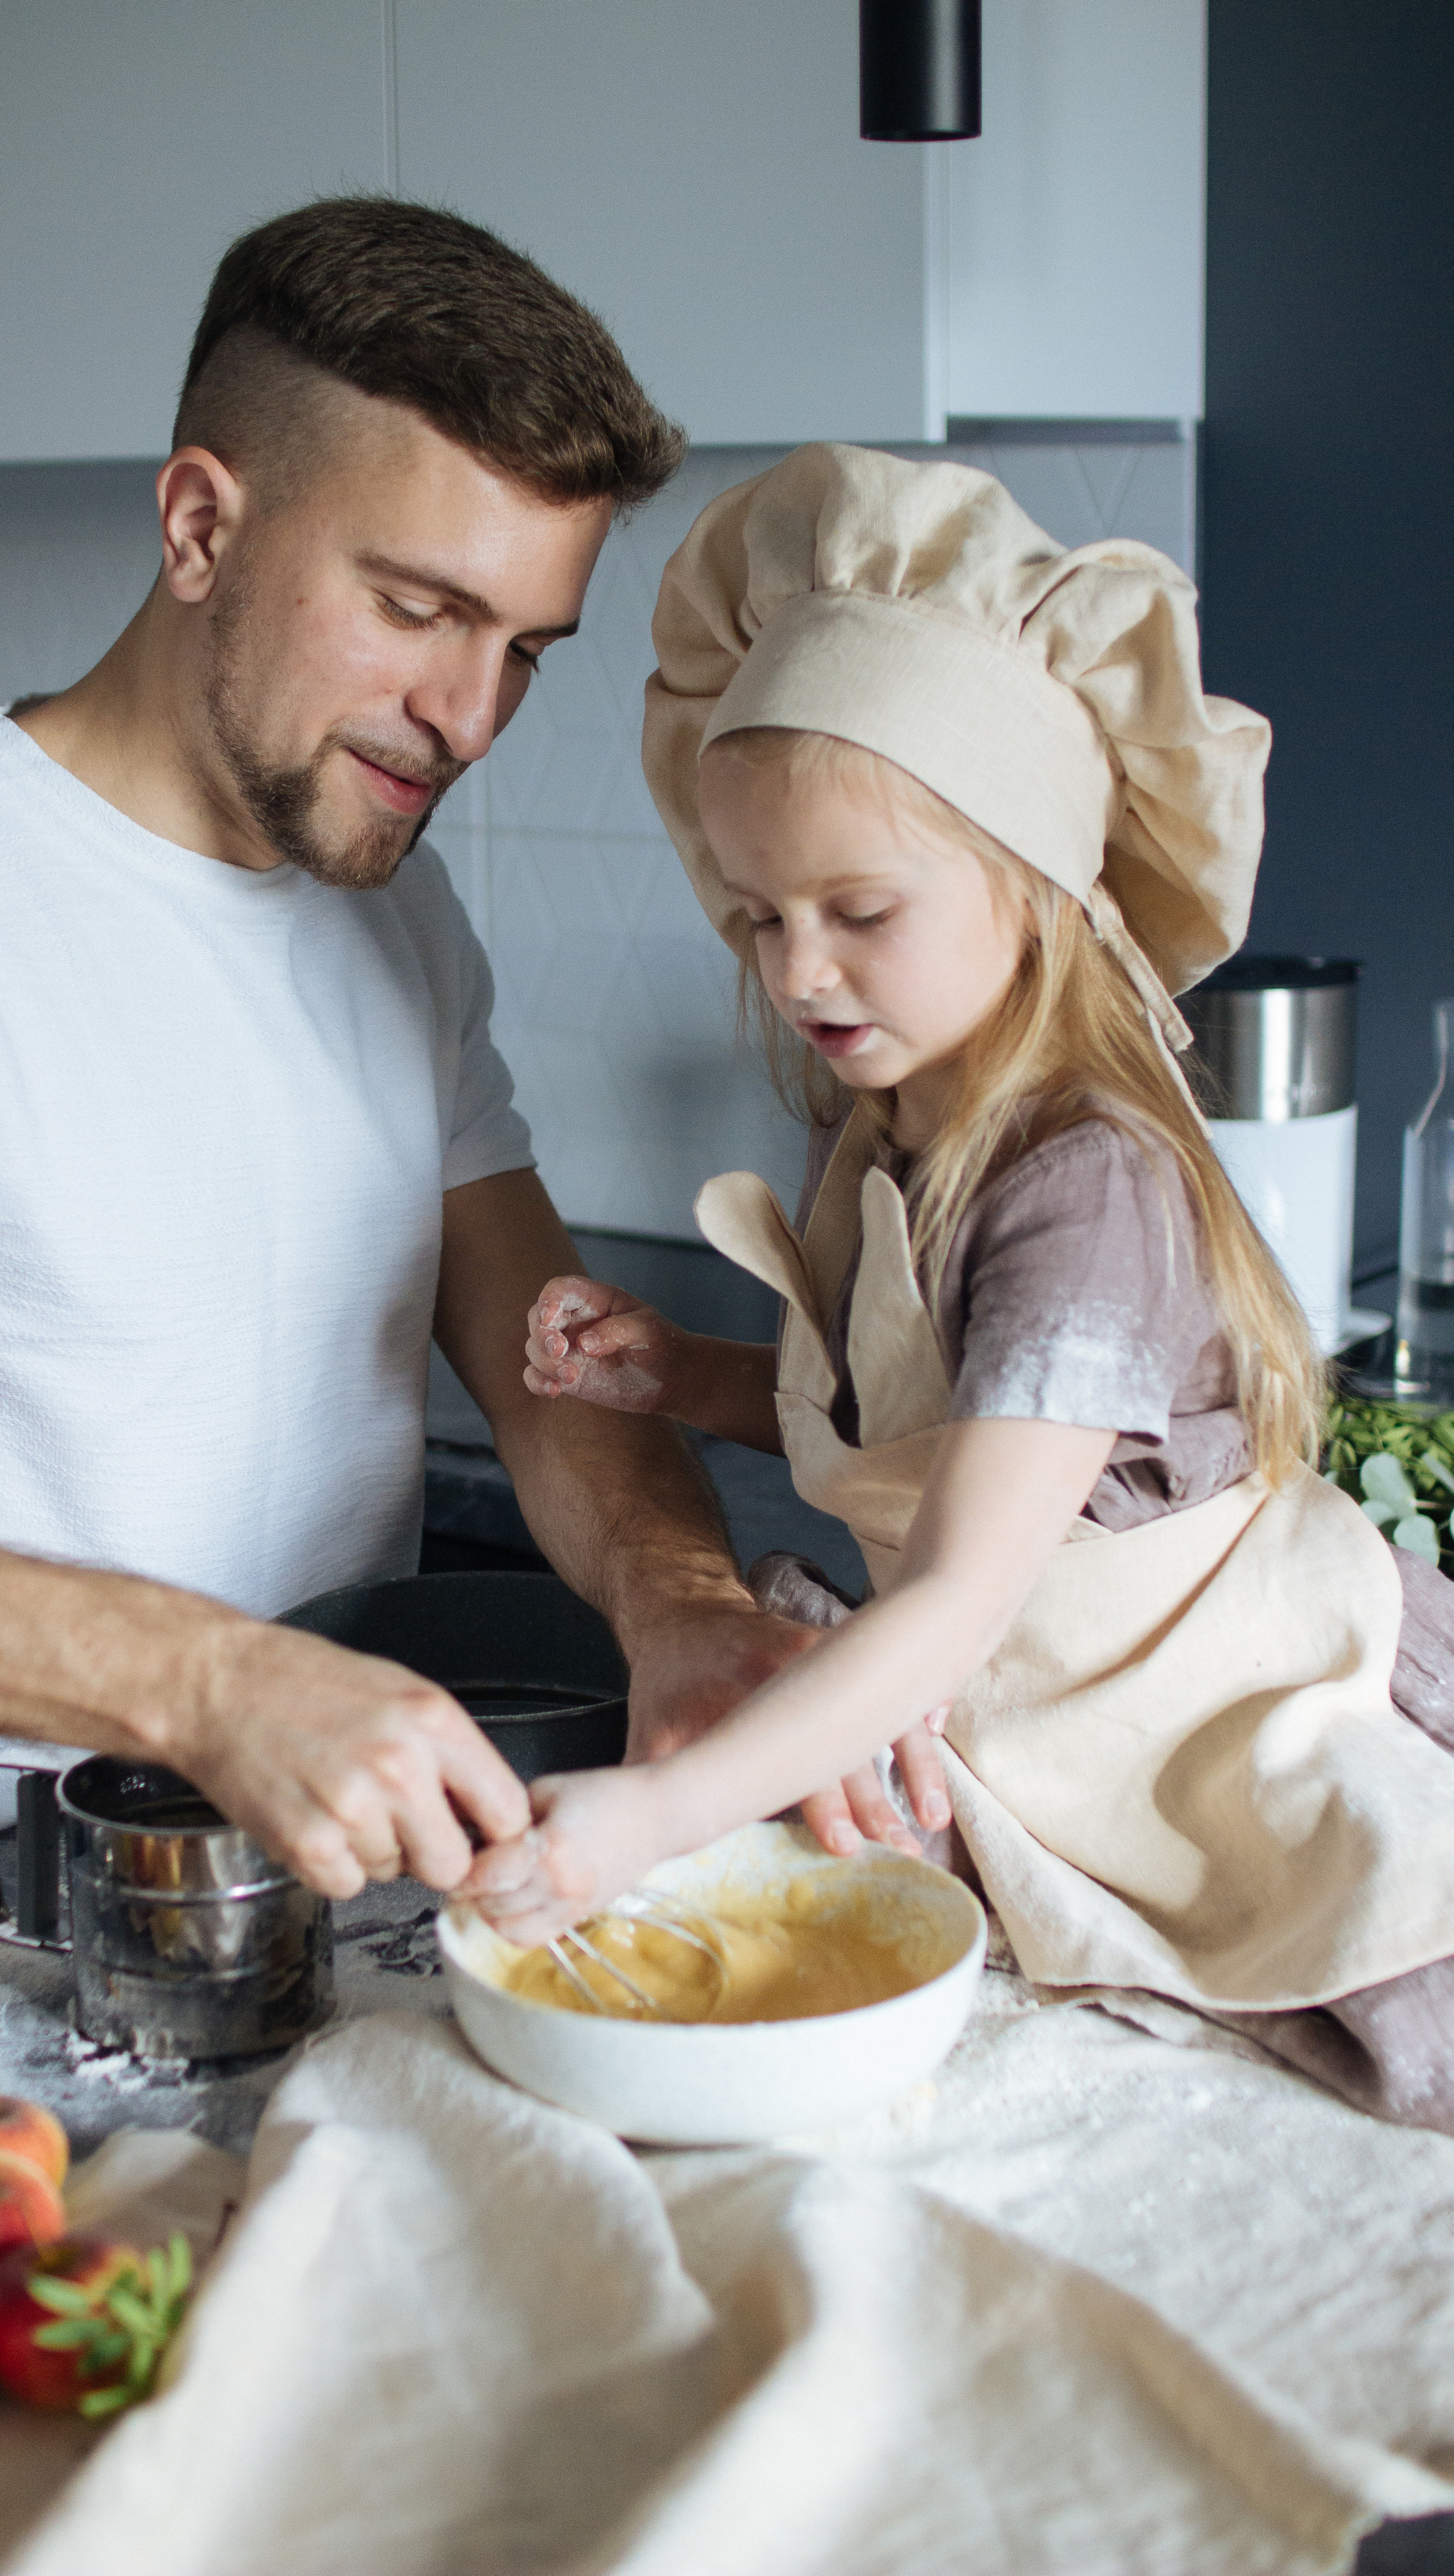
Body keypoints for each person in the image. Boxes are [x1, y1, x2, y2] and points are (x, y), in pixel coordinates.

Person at [0, 199, 820, 1934]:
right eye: (417, 608)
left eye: (525, 649)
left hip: (309, 1950)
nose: (467, 715)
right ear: (197, 527)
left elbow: (550, 1360)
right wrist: (207, 1682)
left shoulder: (396, 922)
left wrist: (679, 1598)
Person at [468, 442, 1454, 2133]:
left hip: (1223, 1723)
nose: (795, 971)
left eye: (856, 909)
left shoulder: (1084, 1188)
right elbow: (895, 1426)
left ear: (1031, 886)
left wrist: (651, 1817)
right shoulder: (898, 1133)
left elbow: (953, 1593)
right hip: (1040, 1715)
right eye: (755, 917)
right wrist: (680, 1373)